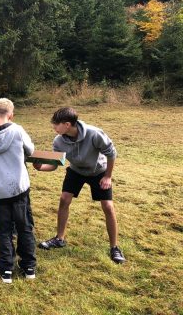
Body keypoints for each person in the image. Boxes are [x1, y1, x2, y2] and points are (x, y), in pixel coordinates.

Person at [34, 107, 126, 264]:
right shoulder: (59, 141)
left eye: (56, 125)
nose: (54, 128)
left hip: (98, 171)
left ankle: (114, 247)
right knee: (64, 199)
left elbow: (112, 153)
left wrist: (108, 176)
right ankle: (59, 239)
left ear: (67, 124)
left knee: (108, 206)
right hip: (76, 171)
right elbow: (56, 164)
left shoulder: (94, 133)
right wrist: (40, 167)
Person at [0, 98, 37, 282]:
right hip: (19, 188)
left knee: (3, 230)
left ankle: (6, 270)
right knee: (24, 226)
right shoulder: (17, 130)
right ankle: (29, 267)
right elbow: (31, 149)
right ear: (11, 114)